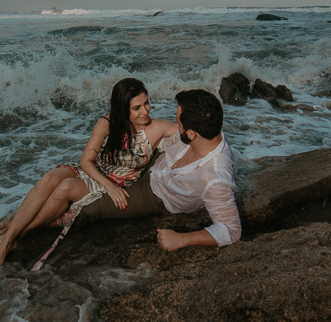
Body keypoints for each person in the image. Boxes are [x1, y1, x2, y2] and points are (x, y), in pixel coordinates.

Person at [0, 78, 177, 267]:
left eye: (146, 103)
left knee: (65, 188)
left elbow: (193, 131)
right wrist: (108, 186)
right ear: (121, 109)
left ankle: (16, 233)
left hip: (113, 182)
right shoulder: (107, 123)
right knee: (50, 178)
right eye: (137, 108)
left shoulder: (157, 127)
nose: (146, 111)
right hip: (94, 172)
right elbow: (86, 161)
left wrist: (110, 186)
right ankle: (10, 238)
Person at [71, 88, 241, 253]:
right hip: (153, 161)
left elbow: (231, 231)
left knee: (88, 209)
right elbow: (166, 140)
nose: (176, 126)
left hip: (156, 194)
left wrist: (182, 239)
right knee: (73, 180)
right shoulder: (205, 130)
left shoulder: (214, 179)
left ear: (191, 134)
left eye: (179, 123)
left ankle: (48, 226)